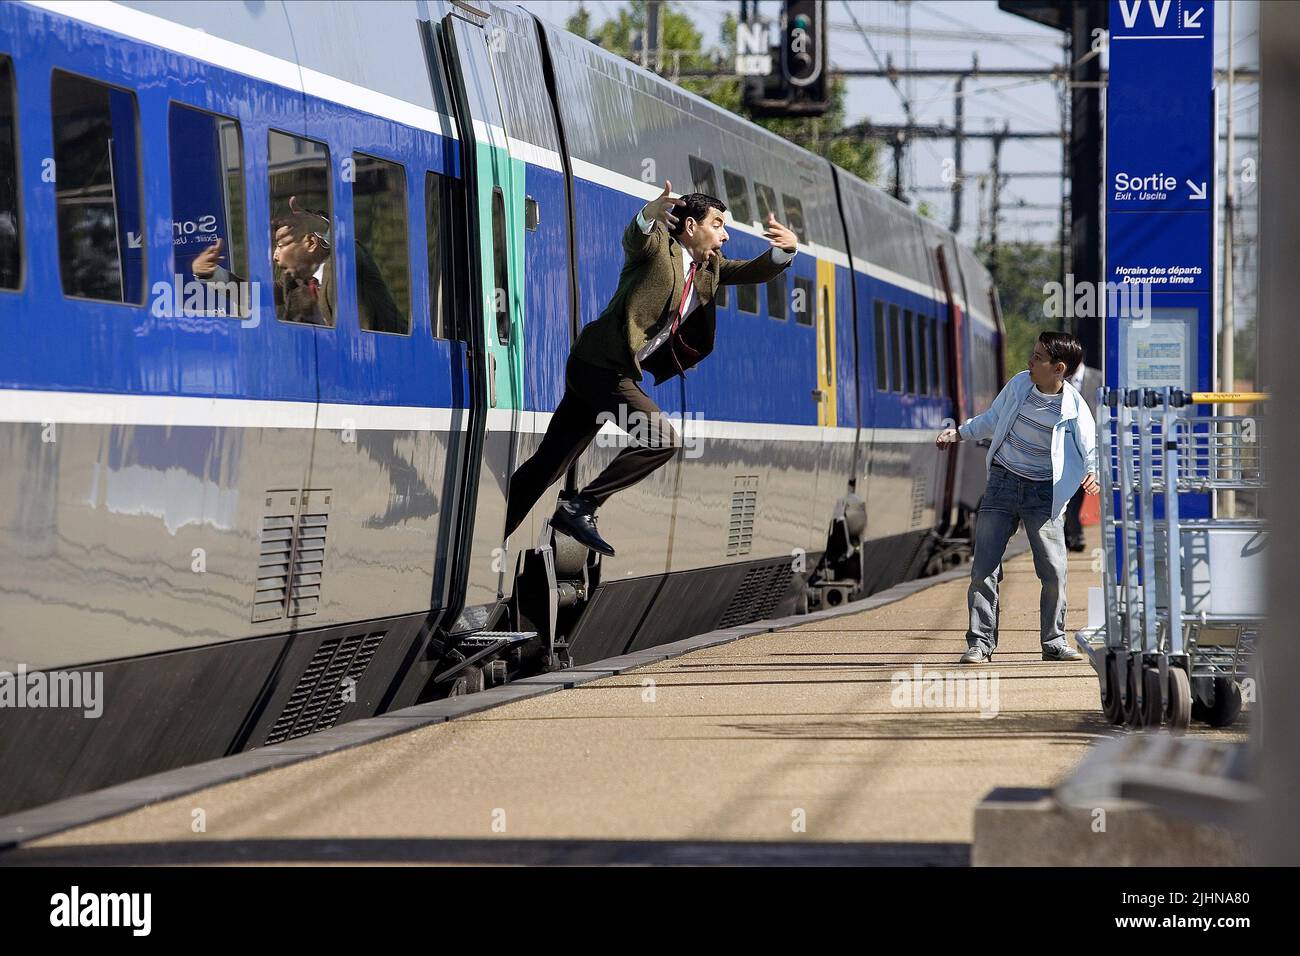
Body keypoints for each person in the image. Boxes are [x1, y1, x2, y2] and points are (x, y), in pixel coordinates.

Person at [504, 180, 798, 556]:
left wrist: (785, 252)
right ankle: (581, 507)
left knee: (547, 466)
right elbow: (634, 240)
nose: (724, 235)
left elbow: (752, 271)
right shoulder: (660, 248)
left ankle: (483, 540)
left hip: (597, 370)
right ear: (692, 226)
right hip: (603, 368)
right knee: (662, 440)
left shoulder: (709, 269)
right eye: (718, 224)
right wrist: (647, 215)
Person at [935, 331, 1099, 663]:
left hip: (1043, 492)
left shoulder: (1073, 406)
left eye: (1039, 358)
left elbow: (1089, 444)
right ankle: (980, 642)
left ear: (1058, 368)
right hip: (1003, 482)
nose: (1030, 361)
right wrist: (960, 433)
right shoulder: (1020, 385)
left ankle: (1053, 640)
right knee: (984, 567)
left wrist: (1092, 471)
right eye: (1033, 354)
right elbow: (993, 419)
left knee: (1054, 570)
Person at [191, 196, 403, 331]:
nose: (275, 256)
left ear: (311, 242)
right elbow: (253, 295)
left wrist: (324, 228)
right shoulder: (296, 282)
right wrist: (210, 274)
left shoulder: (346, 263)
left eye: (281, 245)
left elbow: (348, 251)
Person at [1064, 360, 1102, 552]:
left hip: (1092, 443)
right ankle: (1074, 534)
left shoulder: (1098, 378)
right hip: (1068, 445)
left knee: (1084, 488)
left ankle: (1071, 532)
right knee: (1073, 492)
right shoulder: (1060, 379)